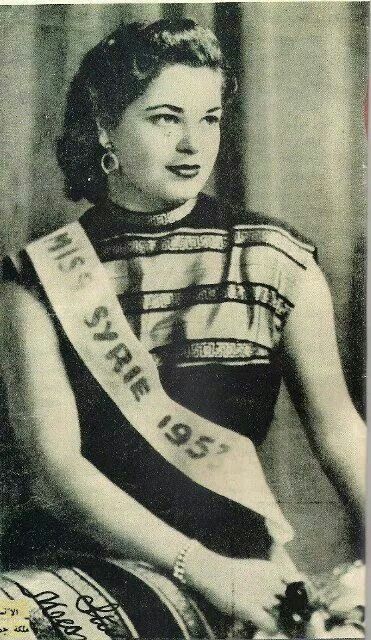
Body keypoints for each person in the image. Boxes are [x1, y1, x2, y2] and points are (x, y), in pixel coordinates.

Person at [0, 18, 365, 637]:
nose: (194, 144)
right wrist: (200, 569)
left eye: (209, 119)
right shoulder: (34, 279)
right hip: (77, 563)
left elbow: (343, 435)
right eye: (166, 118)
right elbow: (54, 474)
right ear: (104, 129)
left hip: (239, 577)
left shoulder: (276, 262)